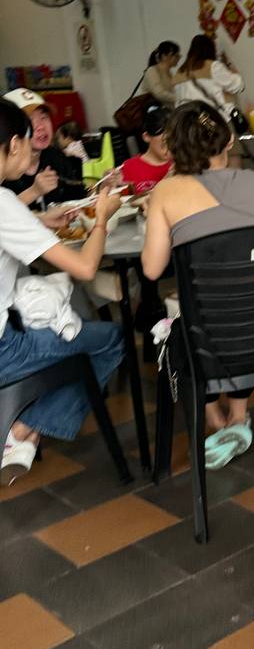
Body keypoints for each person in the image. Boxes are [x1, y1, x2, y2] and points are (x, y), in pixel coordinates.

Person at [141, 102, 254, 469]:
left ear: (174, 147)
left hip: (210, 344)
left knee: (183, 328)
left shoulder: (166, 192)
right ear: (229, 139)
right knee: (242, 304)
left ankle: (216, 420)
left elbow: (152, 270)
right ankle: (237, 417)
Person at [0, 101, 124, 484]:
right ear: (15, 143)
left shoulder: (7, 204)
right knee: (111, 339)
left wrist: (39, 218)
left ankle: (21, 430)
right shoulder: (3, 203)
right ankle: (22, 430)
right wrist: (102, 219)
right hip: (6, 348)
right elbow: (85, 268)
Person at [2, 88, 85, 208]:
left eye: (44, 117)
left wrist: (100, 188)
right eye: (30, 120)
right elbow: (3, 214)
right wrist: (33, 192)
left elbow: (78, 195)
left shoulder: (55, 156)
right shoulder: (5, 170)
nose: (40, 126)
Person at [174, 35, 244, 117]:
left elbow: (178, 103)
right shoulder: (212, 66)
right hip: (219, 117)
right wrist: (228, 65)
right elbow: (237, 85)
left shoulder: (179, 72)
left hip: (192, 120)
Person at [120, 104, 172, 193]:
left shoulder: (181, 163)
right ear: (146, 136)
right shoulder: (130, 167)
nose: (169, 149)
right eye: (164, 144)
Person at [144, 41, 182, 107]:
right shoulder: (152, 71)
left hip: (168, 110)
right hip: (156, 111)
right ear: (164, 56)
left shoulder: (169, 73)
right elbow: (159, 93)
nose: (178, 58)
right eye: (176, 56)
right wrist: (181, 98)